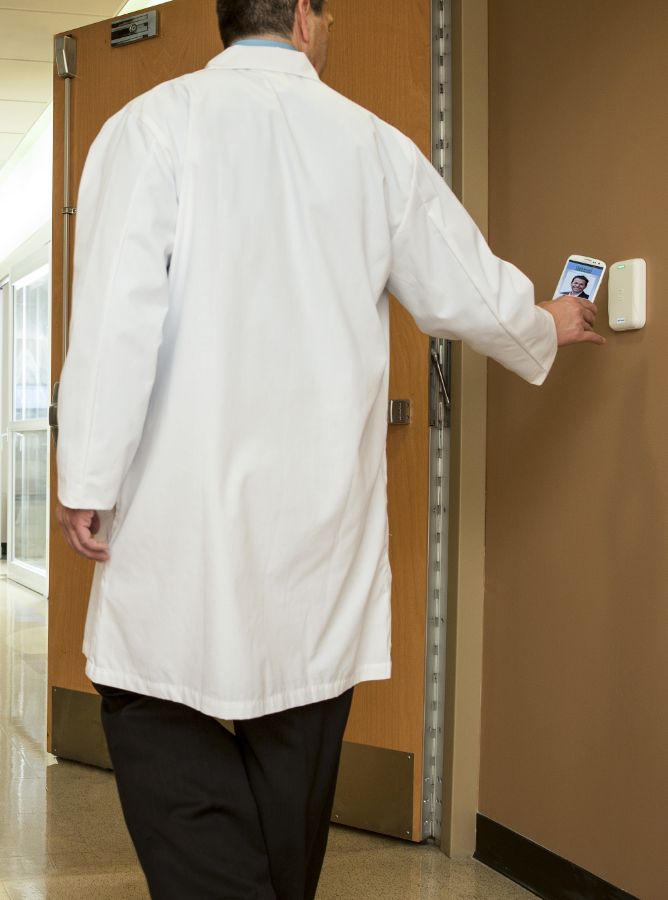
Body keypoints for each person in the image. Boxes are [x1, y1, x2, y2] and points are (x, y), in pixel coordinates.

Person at [52, 2, 604, 898]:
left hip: (177, 511)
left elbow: (117, 321)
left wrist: (88, 476)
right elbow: (461, 289)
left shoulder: (149, 125)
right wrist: (548, 320)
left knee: (153, 707)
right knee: (295, 757)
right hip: (315, 524)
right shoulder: (373, 146)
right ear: (305, 17)